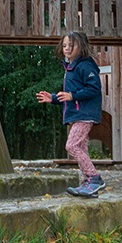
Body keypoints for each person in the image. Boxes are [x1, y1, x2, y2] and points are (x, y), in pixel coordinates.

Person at [36, 30, 106, 197]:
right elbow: (69, 94)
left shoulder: (85, 66)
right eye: (65, 45)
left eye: (71, 45)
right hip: (76, 114)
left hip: (85, 114)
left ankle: (95, 178)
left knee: (72, 145)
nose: (67, 48)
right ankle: (88, 184)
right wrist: (53, 98)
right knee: (81, 147)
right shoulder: (70, 68)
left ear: (80, 47)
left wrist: (72, 95)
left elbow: (94, 88)